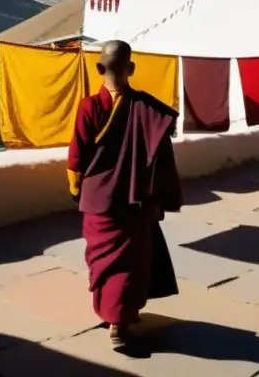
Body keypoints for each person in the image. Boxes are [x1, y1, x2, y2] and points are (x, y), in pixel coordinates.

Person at [67, 40, 183, 351]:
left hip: (98, 201)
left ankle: (112, 318)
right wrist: (160, 195)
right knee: (131, 261)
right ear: (131, 68)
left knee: (103, 261)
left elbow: (76, 158)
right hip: (135, 200)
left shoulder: (88, 107)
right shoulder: (149, 109)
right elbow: (160, 156)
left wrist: (78, 190)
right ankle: (119, 321)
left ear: (98, 68)